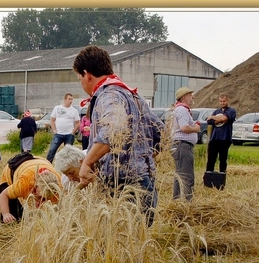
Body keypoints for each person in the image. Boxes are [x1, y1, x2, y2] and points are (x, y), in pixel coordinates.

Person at [74, 45, 163, 227]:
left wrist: (87, 162)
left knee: (114, 248)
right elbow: (160, 132)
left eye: (79, 78)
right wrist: (143, 160)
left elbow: (113, 130)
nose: (81, 83)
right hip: (145, 184)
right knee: (135, 248)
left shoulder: (109, 95)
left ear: (87, 74)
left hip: (121, 188)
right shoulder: (133, 96)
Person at [0, 154, 62, 224]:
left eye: (45, 199)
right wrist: (6, 214)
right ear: (36, 186)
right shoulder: (25, 182)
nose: (41, 201)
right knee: (12, 220)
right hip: (13, 170)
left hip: (39, 161)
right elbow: (3, 195)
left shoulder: (57, 187)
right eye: (40, 197)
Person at [170, 86, 200, 201]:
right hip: (183, 146)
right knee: (187, 176)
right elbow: (184, 128)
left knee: (180, 175)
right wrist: (196, 128)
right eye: (189, 95)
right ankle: (187, 202)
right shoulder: (182, 110)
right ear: (184, 98)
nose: (192, 97)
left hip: (180, 145)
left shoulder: (179, 110)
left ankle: (177, 200)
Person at [205, 94, 236, 173]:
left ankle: (222, 176)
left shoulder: (231, 111)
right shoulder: (216, 111)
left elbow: (225, 118)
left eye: (224, 101)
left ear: (228, 101)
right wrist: (220, 119)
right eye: (221, 101)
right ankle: (208, 176)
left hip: (225, 139)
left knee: (222, 159)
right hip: (214, 138)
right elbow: (209, 122)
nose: (222, 103)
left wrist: (213, 117)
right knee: (211, 159)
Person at [46, 93, 80, 162]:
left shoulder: (74, 110)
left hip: (69, 135)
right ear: (64, 100)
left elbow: (78, 123)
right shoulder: (57, 108)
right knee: (52, 151)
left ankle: (67, 168)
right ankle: (48, 165)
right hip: (58, 134)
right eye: (69, 99)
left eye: (71, 99)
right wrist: (54, 130)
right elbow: (52, 120)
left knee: (68, 153)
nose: (70, 101)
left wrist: (73, 132)